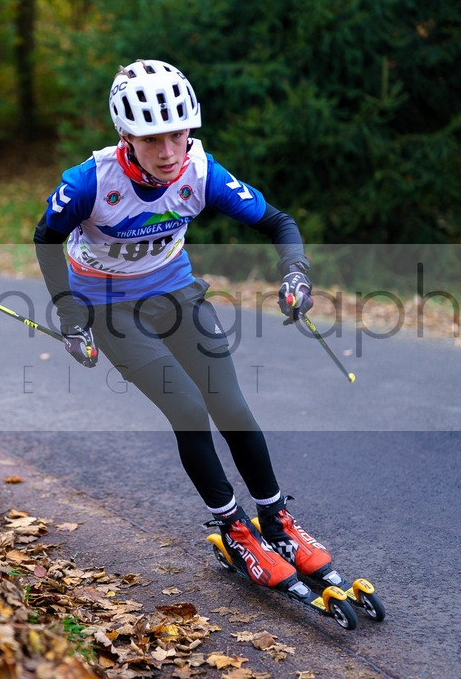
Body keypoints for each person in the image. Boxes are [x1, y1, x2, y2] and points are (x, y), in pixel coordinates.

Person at [32, 59, 330, 591]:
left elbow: (279, 222)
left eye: (178, 135)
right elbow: (45, 237)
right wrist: (71, 314)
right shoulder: (89, 182)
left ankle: (276, 521)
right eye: (152, 141)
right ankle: (234, 527)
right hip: (107, 305)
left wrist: (296, 273)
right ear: (126, 136)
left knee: (231, 404)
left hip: (174, 291)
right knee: (190, 409)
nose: (169, 152)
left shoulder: (201, 172)